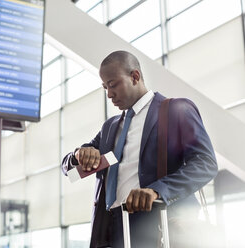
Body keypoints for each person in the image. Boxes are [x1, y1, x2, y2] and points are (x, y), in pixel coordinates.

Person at [61, 50, 218, 247]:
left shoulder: (177, 110)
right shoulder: (110, 127)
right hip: (110, 228)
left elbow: (206, 164)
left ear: (135, 76)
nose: (109, 94)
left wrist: (158, 191)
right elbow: (69, 169)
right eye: (105, 87)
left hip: (158, 223)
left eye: (113, 85)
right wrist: (78, 155)